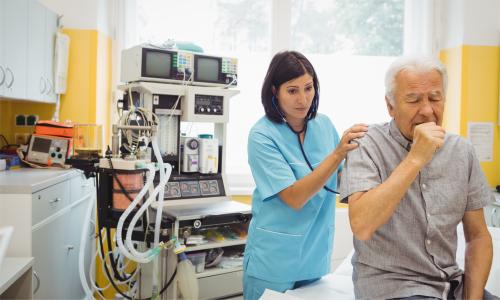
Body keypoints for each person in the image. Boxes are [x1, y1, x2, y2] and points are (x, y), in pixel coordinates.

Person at [339, 56, 498, 299]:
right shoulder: (366, 143)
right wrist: (415, 159)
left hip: (451, 284)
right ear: (390, 106)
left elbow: (477, 236)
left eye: (435, 98)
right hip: (392, 287)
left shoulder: (462, 151)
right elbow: (362, 226)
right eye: (413, 100)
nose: (427, 111)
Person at [243, 50, 368, 299]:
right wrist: (337, 154)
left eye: (308, 88)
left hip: (314, 257)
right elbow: (294, 197)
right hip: (273, 262)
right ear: (274, 91)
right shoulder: (262, 135)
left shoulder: (324, 126)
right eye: (292, 90)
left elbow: (343, 180)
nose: (303, 99)